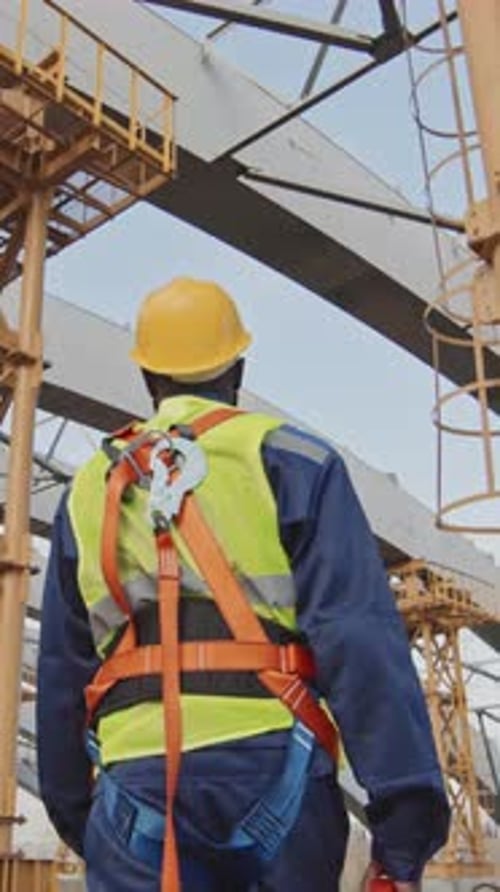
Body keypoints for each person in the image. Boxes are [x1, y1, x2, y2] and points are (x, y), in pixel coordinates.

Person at [37, 277, 450, 892]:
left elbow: (63, 673)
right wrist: (403, 833)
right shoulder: (295, 462)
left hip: (136, 787)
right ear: (237, 366)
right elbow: (359, 641)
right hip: (273, 767)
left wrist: (82, 814)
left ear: (149, 378)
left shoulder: (89, 490)